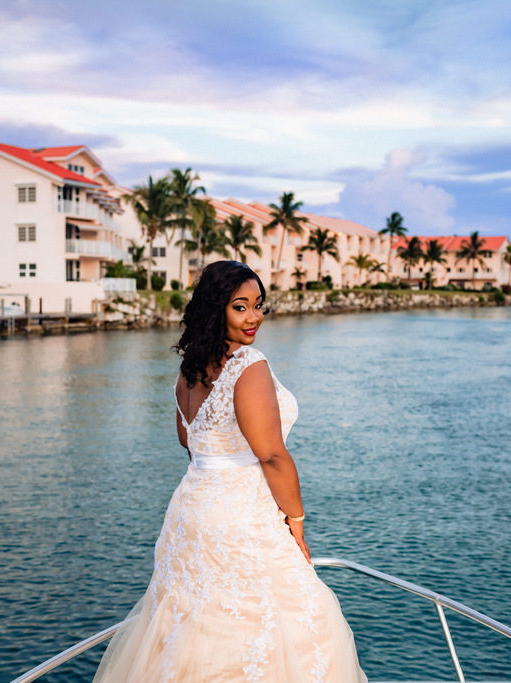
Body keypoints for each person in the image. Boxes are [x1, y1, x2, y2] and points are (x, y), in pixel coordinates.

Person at [93, 260, 366, 682]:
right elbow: (272, 455)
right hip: (239, 516)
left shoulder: (188, 370)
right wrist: (296, 521)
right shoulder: (247, 366)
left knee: (194, 622)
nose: (254, 317)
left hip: (190, 511)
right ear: (216, 309)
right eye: (241, 307)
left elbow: (189, 443)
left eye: (259, 305)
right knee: (295, 616)